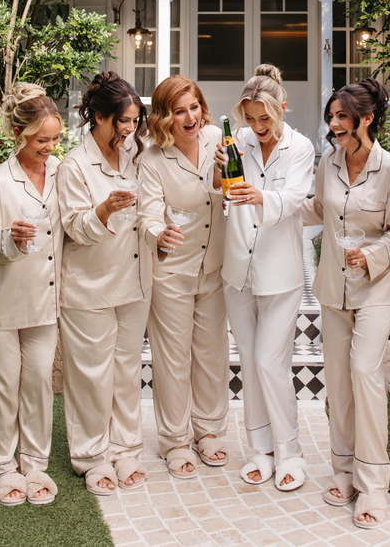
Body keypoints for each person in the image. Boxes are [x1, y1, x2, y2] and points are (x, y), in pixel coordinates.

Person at [303, 80, 390, 528]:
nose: (334, 125)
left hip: (377, 287)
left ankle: (373, 484)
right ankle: (343, 470)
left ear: (366, 119)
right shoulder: (328, 161)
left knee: (364, 371)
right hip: (334, 286)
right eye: (331, 117)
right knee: (339, 379)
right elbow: (318, 209)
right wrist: (264, 204)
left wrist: (369, 256)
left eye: (342, 117)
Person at [216, 64, 315, 492]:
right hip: (237, 269)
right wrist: (219, 172)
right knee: (249, 362)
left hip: (280, 272)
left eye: (265, 118)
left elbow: (293, 199)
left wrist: (259, 196)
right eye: (250, 118)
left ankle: (290, 451)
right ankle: (260, 450)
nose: (257, 127)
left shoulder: (300, 147)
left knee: (268, 362)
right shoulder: (237, 141)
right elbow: (221, 193)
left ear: (282, 107)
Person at [56, 72, 153, 495]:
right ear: (98, 116)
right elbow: (75, 228)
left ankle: (125, 447)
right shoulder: (74, 165)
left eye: (134, 121)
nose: (129, 129)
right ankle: (92, 456)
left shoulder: (134, 154)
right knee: (91, 377)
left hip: (133, 281)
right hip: (89, 287)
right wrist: (104, 209)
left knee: (127, 371)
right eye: (122, 121)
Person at [0, 82, 63, 506]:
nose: (50, 147)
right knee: (2, 389)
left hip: (44, 300)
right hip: (0, 302)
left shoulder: (62, 172)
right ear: (19, 134)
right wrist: (11, 237)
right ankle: (0, 467)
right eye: (42, 140)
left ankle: (34, 463)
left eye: (55, 139)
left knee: (39, 382)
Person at [138, 76, 229, 479]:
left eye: (194, 107)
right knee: (173, 358)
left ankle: (208, 431)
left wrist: (226, 174)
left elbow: (232, 190)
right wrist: (158, 234)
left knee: (211, 354)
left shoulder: (217, 140)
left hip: (214, 266)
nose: (190, 117)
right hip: (172, 271)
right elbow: (147, 213)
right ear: (164, 116)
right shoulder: (153, 159)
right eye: (179, 111)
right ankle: (175, 440)